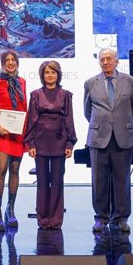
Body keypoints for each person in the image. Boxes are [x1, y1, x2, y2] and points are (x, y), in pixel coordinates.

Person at [84, 48, 133, 233]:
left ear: (116, 61)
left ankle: (121, 218)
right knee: (99, 181)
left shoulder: (129, 81)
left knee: (122, 180)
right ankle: (101, 217)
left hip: (123, 137)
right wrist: (102, 124)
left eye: (109, 59)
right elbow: (87, 111)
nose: (106, 62)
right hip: (99, 138)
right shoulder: (90, 83)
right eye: (102, 59)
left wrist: (121, 124)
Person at [24, 60, 77, 230]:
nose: (50, 75)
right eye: (47, 72)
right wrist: (30, 143)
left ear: (58, 74)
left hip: (59, 140)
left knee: (57, 180)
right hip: (40, 141)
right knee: (42, 181)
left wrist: (70, 143)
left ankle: (55, 218)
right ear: (42, 75)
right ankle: (43, 218)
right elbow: (31, 120)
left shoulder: (66, 95)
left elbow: (69, 120)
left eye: (53, 72)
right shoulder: (36, 95)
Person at [0, 50, 27, 231]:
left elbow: (24, 108)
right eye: (7, 60)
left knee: (15, 169)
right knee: (1, 169)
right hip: (2, 133)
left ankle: (10, 210)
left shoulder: (22, 82)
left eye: (13, 60)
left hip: (18, 134)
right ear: (2, 63)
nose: (10, 63)